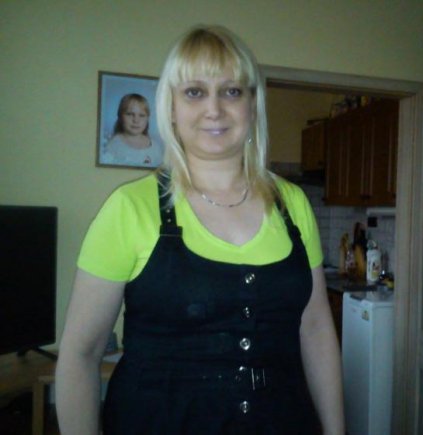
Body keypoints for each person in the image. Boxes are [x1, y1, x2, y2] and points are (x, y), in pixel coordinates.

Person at [56, 25, 345, 435]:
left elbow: (315, 330)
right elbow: (80, 354)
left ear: (252, 104)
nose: (214, 109)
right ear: (171, 107)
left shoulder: (293, 204)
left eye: (232, 91)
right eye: (194, 92)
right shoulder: (129, 208)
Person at [101, 93, 164, 168]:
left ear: (147, 119)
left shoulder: (155, 148)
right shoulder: (112, 145)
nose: (136, 120)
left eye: (142, 115)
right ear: (120, 116)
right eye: (130, 114)